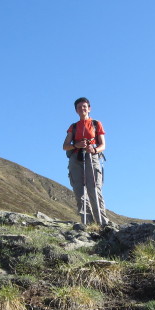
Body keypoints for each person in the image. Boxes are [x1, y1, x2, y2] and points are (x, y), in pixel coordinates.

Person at [62, 97, 108, 226]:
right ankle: (87, 223)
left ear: (89, 108)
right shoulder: (74, 126)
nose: (82, 109)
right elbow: (65, 146)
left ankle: (102, 223)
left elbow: (103, 145)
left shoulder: (96, 123)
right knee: (79, 191)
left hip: (92, 158)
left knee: (94, 189)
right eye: (79, 107)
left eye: (84, 106)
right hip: (76, 159)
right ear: (76, 110)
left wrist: (93, 149)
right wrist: (77, 145)